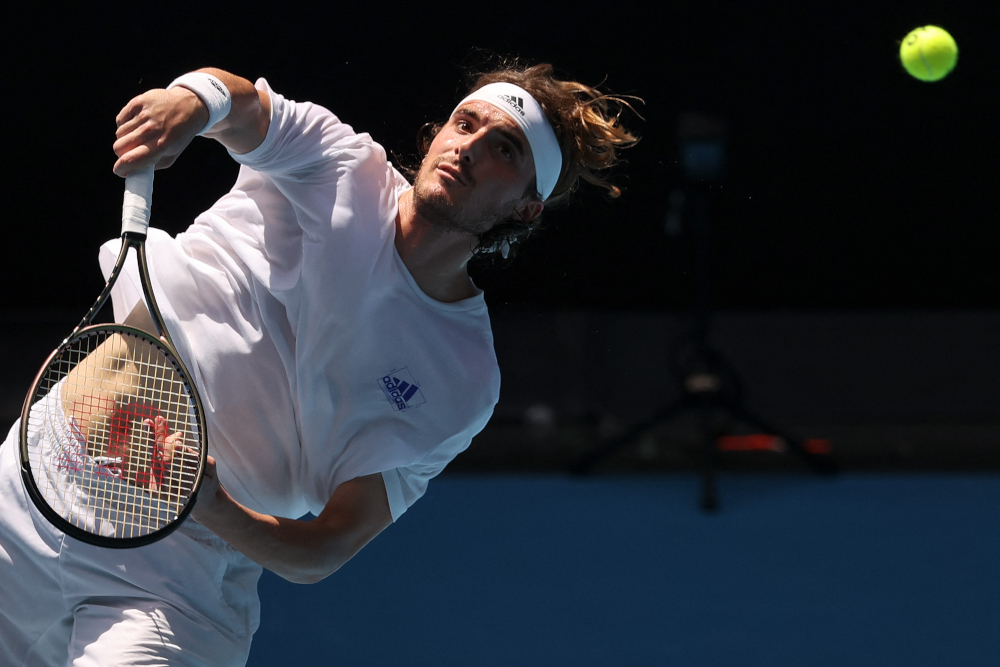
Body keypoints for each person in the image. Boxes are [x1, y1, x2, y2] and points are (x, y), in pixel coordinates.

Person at [0, 61, 638, 665]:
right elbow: (242, 104)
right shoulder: (337, 162)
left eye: (506, 149)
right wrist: (190, 101)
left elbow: (324, 549)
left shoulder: (463, 380)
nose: (469, 146)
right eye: (465, 123)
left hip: (172, 591)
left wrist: (213, 504)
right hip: (27, 492)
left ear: (528, 206)